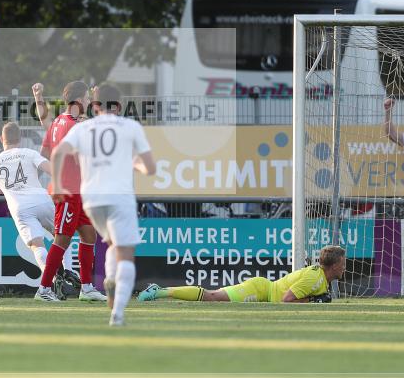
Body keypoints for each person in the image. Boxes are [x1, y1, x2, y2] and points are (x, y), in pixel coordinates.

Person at [50, 83, 156, 326]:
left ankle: (109, 278)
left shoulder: (83, 127)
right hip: (119, 195)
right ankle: (117, 313)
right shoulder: (131, 127)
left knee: (109, 243)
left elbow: (57, 154)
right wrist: (135, 163)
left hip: (92, 198)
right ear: (119, 106)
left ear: (95, 106)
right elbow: (150, 168)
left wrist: (56, 185)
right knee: (125, 253)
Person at [32, 81, 107, 302]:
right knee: (62, 239)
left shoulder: (59, 122)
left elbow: (45, 150)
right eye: (86, 98)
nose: (88, 102)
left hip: (77, 190)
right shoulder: (74, 125)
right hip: (68, 191)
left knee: (88, 235)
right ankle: (44, 289)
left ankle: (86, 287)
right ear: (78, 100)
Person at [0, 122, 56, 296]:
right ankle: (69, 276)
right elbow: (53, 171)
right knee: (61, 238)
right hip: (42, 199)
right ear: (20, 139)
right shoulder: (30, 153)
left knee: (37, 246)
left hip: (20, 207)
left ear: (1, 139)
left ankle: (50, 282)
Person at [138, 245, 347, 304]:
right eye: (343, 263)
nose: (345, 267)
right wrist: (313, 301)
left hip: (264, 291)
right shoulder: (315, 278)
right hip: (261, 290)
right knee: (212, 296)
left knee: (212, 295)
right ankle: (159, 291)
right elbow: (285, 299)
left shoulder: (321, 277)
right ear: (335, 265)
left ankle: (160, 291)